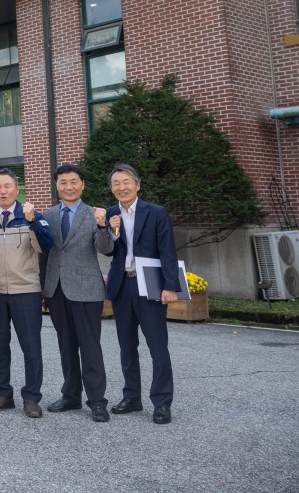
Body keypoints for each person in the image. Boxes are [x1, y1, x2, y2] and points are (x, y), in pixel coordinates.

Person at [101, 163, 179, 424]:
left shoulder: (156, 212)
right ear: (112, 189)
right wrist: (110, 231)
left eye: (126, 182)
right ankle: (132, 397)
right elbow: (109, 251)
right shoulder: (111, 214)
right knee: (126, 346)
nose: (121, 187)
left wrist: (170, 286)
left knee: (157, 346)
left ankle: (162, 402)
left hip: (150, 284)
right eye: (116, 183)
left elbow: (167, 250)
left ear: (137, 185)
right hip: (122, 286)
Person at [0, 168, 53, 419]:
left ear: (17, 190)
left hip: (26, 291)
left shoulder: (32, 217)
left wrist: (32, 221)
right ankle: (3, 394)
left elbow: (48, 244)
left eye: (8, 186)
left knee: (31, 346)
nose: (3, 191)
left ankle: (31, 397)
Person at [40, 165, 112, 423]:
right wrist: (42, 289)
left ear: (82, 184)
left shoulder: (93, 214)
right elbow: (44, 254)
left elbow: (105, 249)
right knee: (66, 345)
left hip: (86, 290)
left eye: (73, 181)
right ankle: (70, 395)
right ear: (57, 186)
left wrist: (104, 228)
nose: (68, 186)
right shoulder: (46, 215)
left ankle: (97, 401)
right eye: (63, 182)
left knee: (90, 347)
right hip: (56, 289)